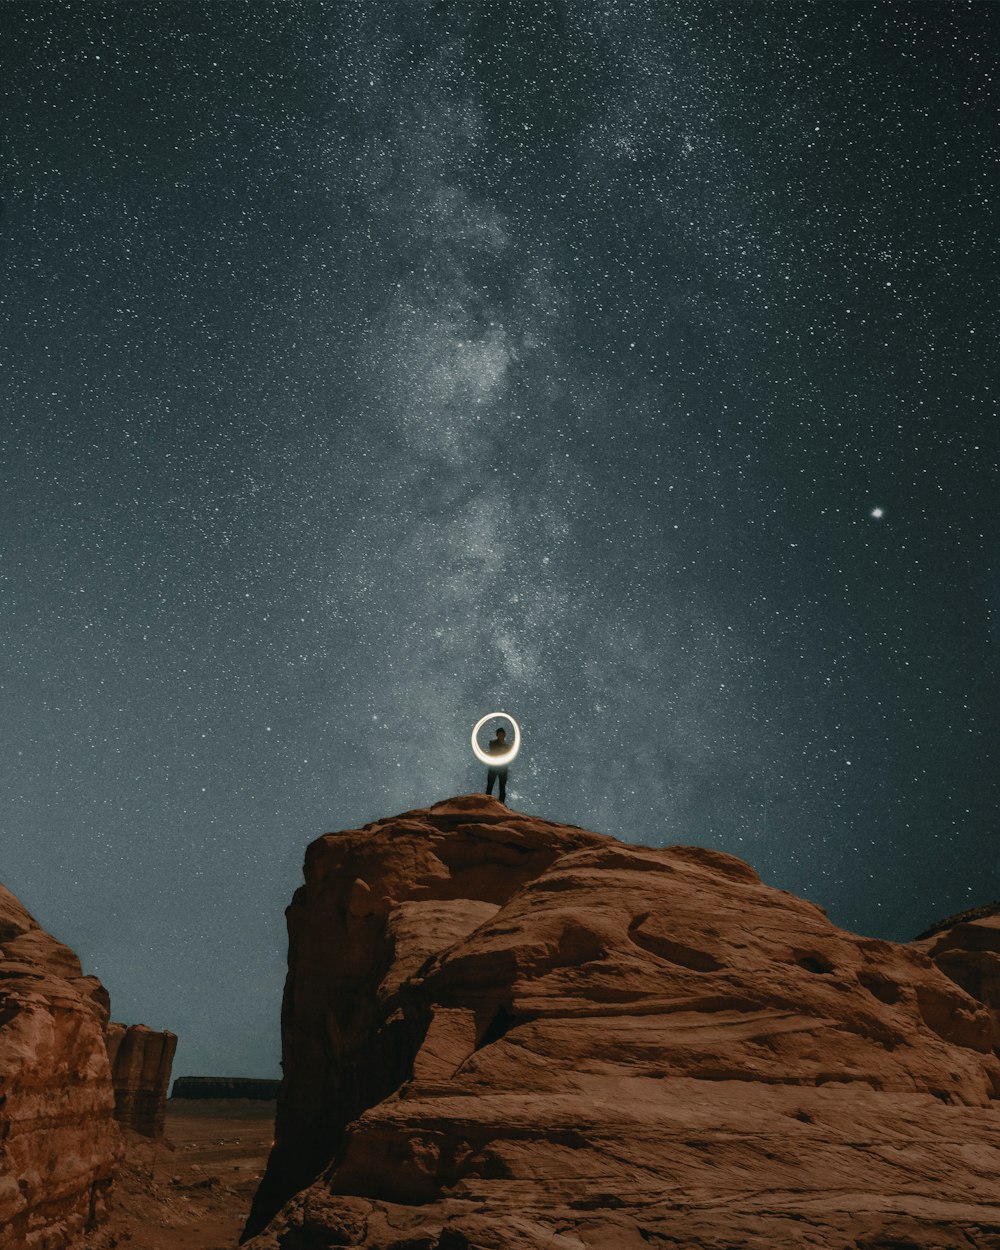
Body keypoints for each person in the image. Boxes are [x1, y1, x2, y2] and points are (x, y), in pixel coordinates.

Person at [485, 726, 510, 804]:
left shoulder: (507, 747)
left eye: (502, 734)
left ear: (505, 734)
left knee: (502, 787)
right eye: (499, 734)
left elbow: (508, 756)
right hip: (494, 766)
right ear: (497, 735)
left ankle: (501, 805)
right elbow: (493, 749)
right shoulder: (492, 743)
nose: (501, 735)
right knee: (490, 785)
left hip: (503, 768)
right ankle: (486, 803)